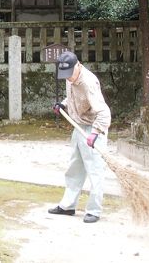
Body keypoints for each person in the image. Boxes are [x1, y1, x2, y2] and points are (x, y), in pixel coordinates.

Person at [49, 50, 111, 223]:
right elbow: (74, 98)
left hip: (92, 129)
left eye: (70, 73)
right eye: (65, 75)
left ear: (78, 65)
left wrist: (95, 133)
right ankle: (68, 206)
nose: (68, 78)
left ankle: (94, 210)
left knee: (95, 171)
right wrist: (63, 104)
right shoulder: (71, 78)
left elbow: (104, 112)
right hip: (78, 127)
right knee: (74, 168)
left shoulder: (88, 82)